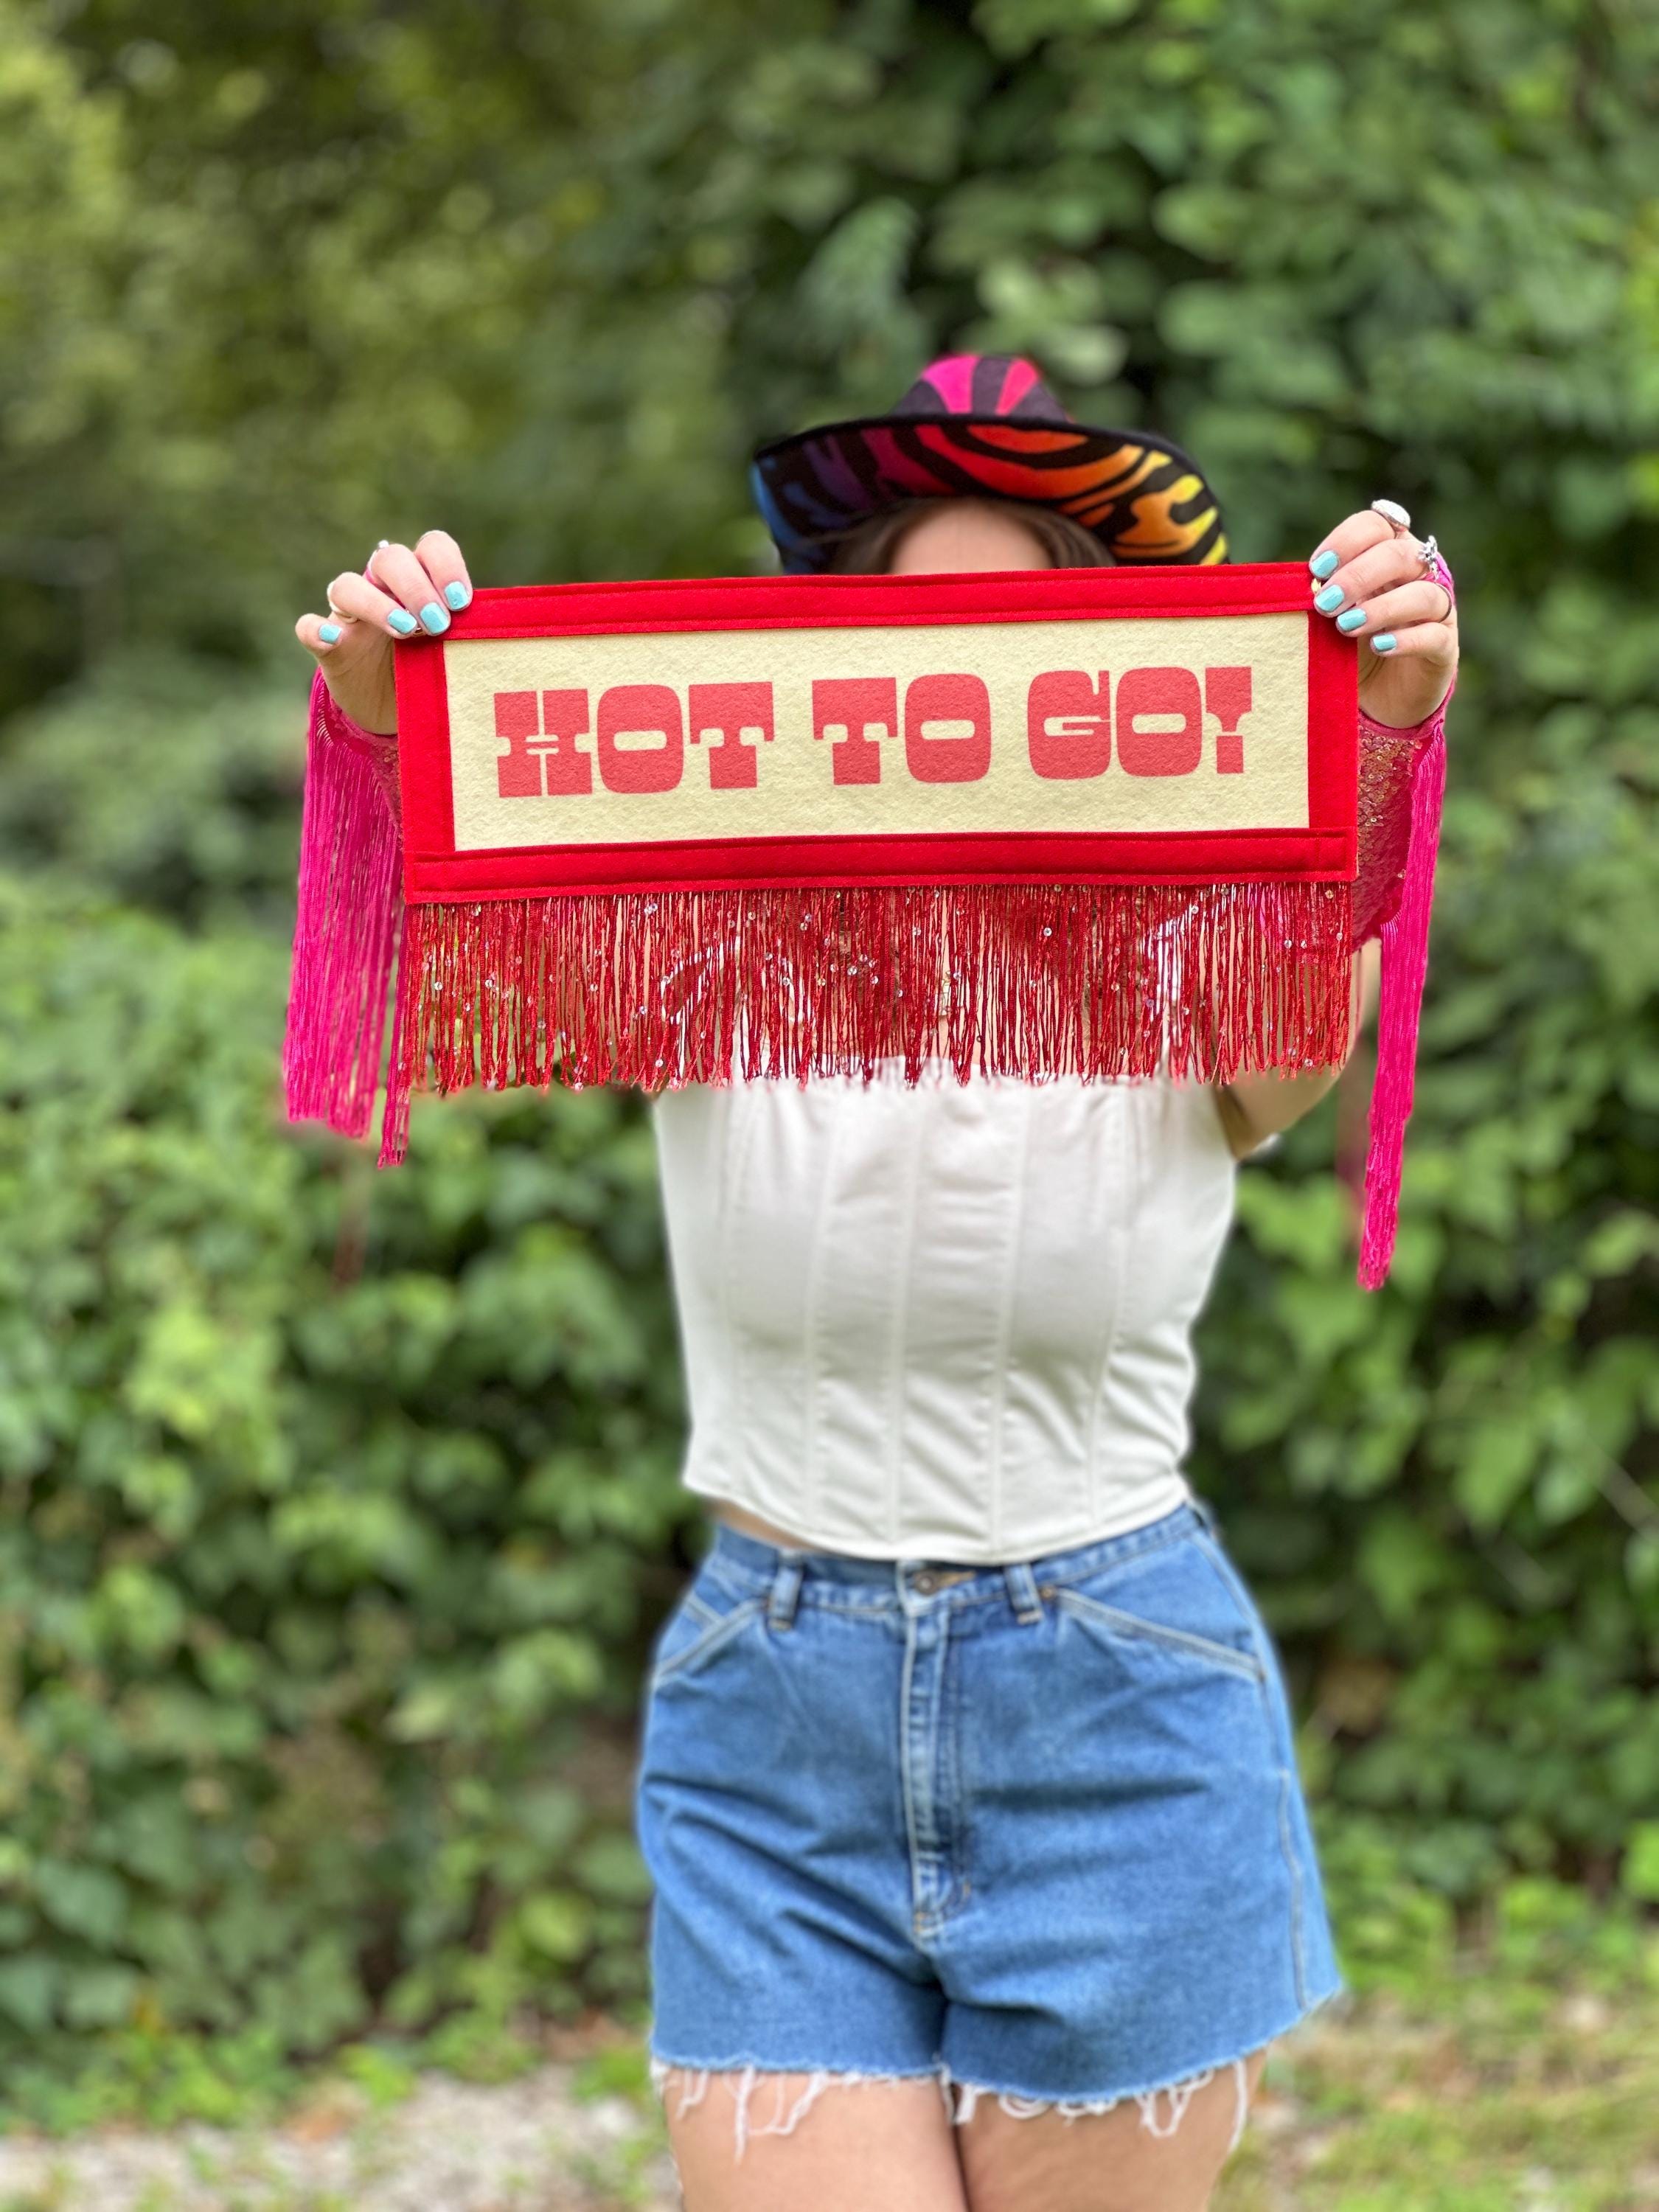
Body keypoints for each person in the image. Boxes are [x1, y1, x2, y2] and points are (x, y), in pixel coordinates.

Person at [294, 355, 1458, 2212]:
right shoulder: (691, 920)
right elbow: (423, 914)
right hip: (776, 1714)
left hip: (1121, 1710)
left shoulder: (1203, 944)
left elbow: (1337, 922)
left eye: (1020, 633)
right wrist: (382, 713)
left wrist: (1382, 723)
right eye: (917, 629)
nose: (962, 685)